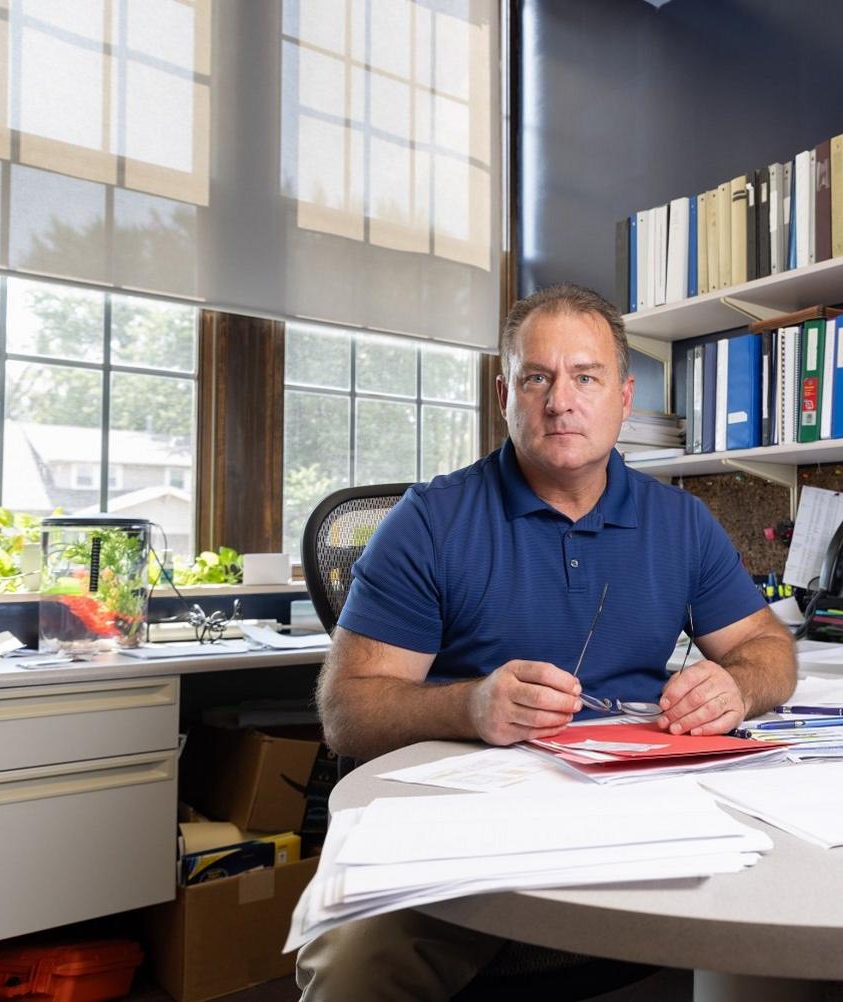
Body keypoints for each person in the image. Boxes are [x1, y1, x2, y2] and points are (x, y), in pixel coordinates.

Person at [296, 283, 797, 999]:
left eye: (586, 377)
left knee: (798, 882)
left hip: (640, 807)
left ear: (624, 397)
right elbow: (346, 712)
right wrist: (470, 708)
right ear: (506, 393)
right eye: (538, 377)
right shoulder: (430, 521)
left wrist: (737, 685)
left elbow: (767, 648)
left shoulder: (680, 522)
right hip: (469, 818)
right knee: (355, 959)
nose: (561, 400)